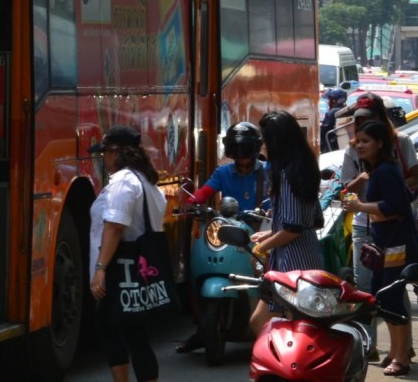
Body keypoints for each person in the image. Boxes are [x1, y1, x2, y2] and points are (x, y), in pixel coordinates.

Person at [175, 121, 267, 354]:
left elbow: (278, 197)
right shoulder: (223, 172)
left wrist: (270, 211)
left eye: (245, 150)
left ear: (255, 150)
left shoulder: (268, 171)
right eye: (236, 150)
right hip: (228, 231)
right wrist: (190, 204)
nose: (241, 156)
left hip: (260, 233)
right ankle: (202, 329)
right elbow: (203, 193)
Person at [88, 125, 166, 382]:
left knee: (123, 333)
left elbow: (114, 227)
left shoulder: (123, 181)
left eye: (105, 153)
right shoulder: (146, 181)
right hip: (137, 269)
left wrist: (100, 269)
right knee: (124, 332)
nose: (104, 159)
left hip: (121, 271)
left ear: (117, 153)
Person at [342, 120, 418, 376]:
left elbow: (397, 207)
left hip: (395, 245)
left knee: (391, 298)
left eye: (365, 141)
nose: (360, 146)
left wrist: (360, 207)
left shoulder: (385, 170)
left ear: (380, 143)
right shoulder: (379, 170)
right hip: (385, 244)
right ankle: (397, 353)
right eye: (358, 141)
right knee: (383, 298)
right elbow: (405, 198)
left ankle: (401, 357)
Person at [249, 111, 325, 335]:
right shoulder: (303, 167)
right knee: (264, 325)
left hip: (294, 263)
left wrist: (262, 247)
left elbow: (293, 228)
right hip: (297, 257)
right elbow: (314, 220)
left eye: (265, 139)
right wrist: (270, 234)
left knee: (293, 329)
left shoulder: (288, 174)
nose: (262, 145)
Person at [321, 88, 348, 153]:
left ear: (334, 101)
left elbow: (323, 131)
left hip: (331, 148)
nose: (328, 102)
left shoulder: (331, 113)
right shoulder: (346, 110)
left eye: (329, 100)